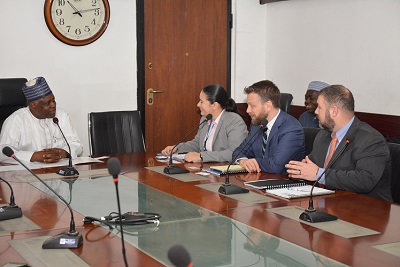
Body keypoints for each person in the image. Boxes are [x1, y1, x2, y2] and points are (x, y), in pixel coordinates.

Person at [286, 85, 392, 201]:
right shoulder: (323, 135)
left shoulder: (371, 140)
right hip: (328, 203)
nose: (316, 111)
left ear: (334, 111)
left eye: (320, 108)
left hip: (366, 211)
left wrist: (318, 174)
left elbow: (365, 180)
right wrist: (300, 170)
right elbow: (312, 165)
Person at [0, 77, 83, 163]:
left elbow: (77, 145)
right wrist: (33, 156)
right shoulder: (16, 120)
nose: (53, 105)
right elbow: (2, 153)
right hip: (27, 173)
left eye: (53, 100)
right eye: (47, 103)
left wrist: (63, 153)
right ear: (33, 105)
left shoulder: (61, 115)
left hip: (60, 171)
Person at [161, 84, 248, 162]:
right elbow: (197, 144)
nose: (198, 104)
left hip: (226, 172)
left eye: (201, 102)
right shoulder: (205, 118)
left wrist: (201, 156)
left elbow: (235, 152)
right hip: (207, 169)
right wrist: (177, 148)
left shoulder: (234, 121)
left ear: (214, 105)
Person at [234, 80, 305, 174]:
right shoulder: (257, 124)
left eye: (252, 106)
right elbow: (239, 151)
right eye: (247, 105)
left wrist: (253, 161)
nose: (247, 110)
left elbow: (275, 166)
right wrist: (243, 161)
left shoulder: (292, 129)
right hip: (261, 179)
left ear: (268, 105)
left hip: (284, 183)